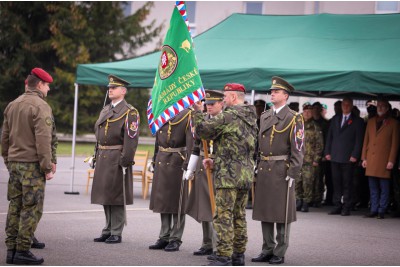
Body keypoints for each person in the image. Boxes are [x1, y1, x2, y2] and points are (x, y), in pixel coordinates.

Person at [193, 83, 258, 266]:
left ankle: (223, 255)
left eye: (225, 96)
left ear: (233, 98)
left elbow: (202, 131)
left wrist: (198, 112)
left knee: (223, 215)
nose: (223, 99)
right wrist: (216, 160)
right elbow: (237, 146)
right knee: (238, 215)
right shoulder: (251, 116)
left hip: (228, 176)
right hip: (244, 174)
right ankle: (238, 254)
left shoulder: (229, 116)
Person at [2, 68, 55, 265]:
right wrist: (47, 167)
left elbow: (4, 138)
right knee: (31, 208)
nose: (48, 88)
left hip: (15, 164)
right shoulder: (40, 106)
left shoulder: (13, 105)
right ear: (40, 84)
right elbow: (43, 140)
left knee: (15, 206)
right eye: (47, 85)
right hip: (32, 166)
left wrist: (8, 161)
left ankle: (12, 249)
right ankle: (23, 249)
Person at [252, 76, 304, 265]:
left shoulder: (293, 118)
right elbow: (259, 144)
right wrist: (255, 163)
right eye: (271, 91)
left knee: (281, 213)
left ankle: (279, 251)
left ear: (286, 95)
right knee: (265, 211)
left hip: (282, 169)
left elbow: (298, 148)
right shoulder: (265, 115)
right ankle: (267, 248)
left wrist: (293, 172)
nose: (272, 93)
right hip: (265, 168)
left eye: (276, 91)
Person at [91, 75, 139, 244]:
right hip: (104, 156)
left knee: (117, 196)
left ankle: (116, 231)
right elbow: (99, 134)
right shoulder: (106, 109)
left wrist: (125, 161)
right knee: (106, 195)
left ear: (123, 91)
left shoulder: (129, 112)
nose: (110, 89)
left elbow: (131, 140)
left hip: (117, 158)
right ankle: (108, 228)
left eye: (114, 87)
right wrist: (95, 154)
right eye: (109, 87)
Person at [149, 107, 194, 252]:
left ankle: (175, 238)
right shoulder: (161, 111)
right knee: (163, 200)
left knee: (178, 203)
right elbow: (158, 140)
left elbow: (191, 143)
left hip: (178, 161)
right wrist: (154, 160)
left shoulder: (188, 114)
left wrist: (188, 165)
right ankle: (164, 236)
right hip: (162, 158)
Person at [185, 90, 224, 256]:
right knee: (204, 206)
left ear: (221, 104)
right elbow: (196, 146)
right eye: (207, 104)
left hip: (218, 166)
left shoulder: (225, 120)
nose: (208, 107)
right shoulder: (203, 120)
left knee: (217, 208)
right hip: (202, 165)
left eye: (212, 104)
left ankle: (218, 245)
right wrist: (190, 168)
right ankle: (207, 242)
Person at [324, 97, 364, 216]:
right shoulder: (335, 119)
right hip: (335, 156)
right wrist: (327, 152)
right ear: (341, 106)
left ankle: (347, 206)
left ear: (351, 106)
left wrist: (355, 155)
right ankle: (337, 205)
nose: (345, 106)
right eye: (344, 104)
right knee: (336, 183)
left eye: (348, 105)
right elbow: (329, 137)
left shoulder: (358, 121)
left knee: (347, 183)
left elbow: (359, 140)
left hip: (348, 157)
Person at [361, 99, 399, 219]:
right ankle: (374, 209)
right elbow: (365, 141)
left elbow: (395, 144)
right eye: (379, 106)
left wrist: (391, 160)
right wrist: (364, 158)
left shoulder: (394, 123)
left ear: (388, 108)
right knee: (373, 188)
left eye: (383, 106)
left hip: (384, 160)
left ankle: (381, 210)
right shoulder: (371, 121)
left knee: (384, 188)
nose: (380, 108)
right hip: (371, 159)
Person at [295, 102, 323, 212]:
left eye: (309, 112)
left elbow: (319, 145)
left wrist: (316, 159)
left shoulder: (315, 127)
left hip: (309, 160)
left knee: (308, 182)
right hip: (297, 159)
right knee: (297, 181)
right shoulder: (297, 125)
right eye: (305, 111)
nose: (307, 113)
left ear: (312, 113)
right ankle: (298, 200)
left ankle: (306, 202)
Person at [311, 102, 330, 207]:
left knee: (319, 178)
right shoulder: (309, 122)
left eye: (318, 108)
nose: (315, 110)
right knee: (310, 178)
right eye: (314, 108)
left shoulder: (325, 123)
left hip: (321, 156)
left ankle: (318, 198)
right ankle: (310, 197)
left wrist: (324, 154)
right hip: (309, 155)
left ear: (321, 110)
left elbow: (327, 139)